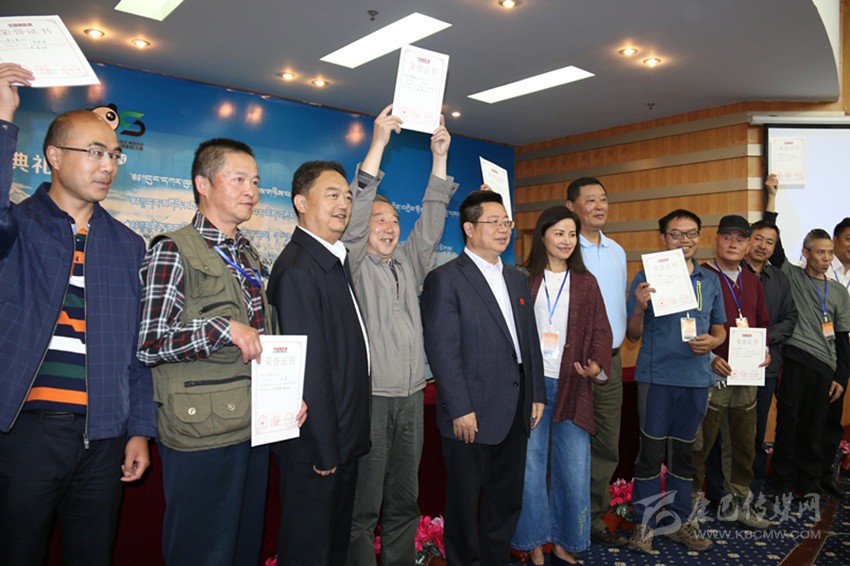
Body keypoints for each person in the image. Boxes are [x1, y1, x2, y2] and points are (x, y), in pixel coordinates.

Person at [0, 62, 157, 566]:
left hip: (102, 436)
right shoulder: (18, 227)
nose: (107, 165)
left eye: (113, 154)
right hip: (24, 431)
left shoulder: (128, 245)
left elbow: (137, 349)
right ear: (53, 156)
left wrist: (139, 429)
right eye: (94, 152)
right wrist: (4, 121)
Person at [138, 138, 304, 565]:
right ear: (203, 184)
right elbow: (151, 341)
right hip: (200, 433)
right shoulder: (172, 250)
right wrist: (220, 328)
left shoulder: (249, 256)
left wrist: (286, 396)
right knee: (202, 552)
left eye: (256, 182)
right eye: (239, 179)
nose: (252, 191)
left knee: (244, 548)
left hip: (252, 425)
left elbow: (263, 340)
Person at [344, 107, 458, 566]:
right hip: (371, 399)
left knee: (404, 501)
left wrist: (439, 158)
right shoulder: (351, 264)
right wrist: (377, 143)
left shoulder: (408, 263)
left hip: (411, 398)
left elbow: (430, 221)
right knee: (363, 506)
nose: (389, 227)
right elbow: (356, 211)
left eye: (393, 220)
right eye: (379, 220)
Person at [421, 190, 545, 565]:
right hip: (470, 412)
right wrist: (460, 407)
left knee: (505, 499)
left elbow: (528, 340)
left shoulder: (517, 278)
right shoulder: (446, 279)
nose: (503, 229)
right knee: (464, 501)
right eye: (494, 222)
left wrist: (536, 393)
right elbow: (442, 350)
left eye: (506, 222)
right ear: (469, 228)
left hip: (515, 406)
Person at [268, 159, 371, 565]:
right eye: (332, 195)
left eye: (347, 196)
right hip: (315, 447)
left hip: (340, 439)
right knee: (308, 550)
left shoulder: (330, 260)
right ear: (301, 202)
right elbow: (308, 370)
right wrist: (325, 450)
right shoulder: (298, 268)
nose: (343, 204)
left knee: (332, 548)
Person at [511, 206, 612, 565]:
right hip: (532, 388)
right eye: (559, 233)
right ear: (542, 236)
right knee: (531, 467)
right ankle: (533, 542)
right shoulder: (522, 277)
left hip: (573, 384)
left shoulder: (586, 282)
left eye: (572, 234)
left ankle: (566, 541)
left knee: (573, 468)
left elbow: (601, 329)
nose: (566, 241)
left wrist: (596, 363)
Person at [626, 209, 726, 554]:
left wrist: (713, 342)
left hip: (696, 379)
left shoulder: (709, 280)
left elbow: (719, 329)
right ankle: (644, 523)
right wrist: (639, 307)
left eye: (691, 233)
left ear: (699, 236)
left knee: (685, 454)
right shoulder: (645, 277)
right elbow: (633, 335)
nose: (684, 240)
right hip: (656, 378)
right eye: (676, 234)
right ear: (663, 238)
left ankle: (681, 521)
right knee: (650, 453)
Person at [762, 176, 850, 498]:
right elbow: (774, 244)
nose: (826, 258)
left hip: (826, 366)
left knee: (815, 425)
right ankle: (783, 480)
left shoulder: (839, 292)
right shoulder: (791, 275)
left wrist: (841, 376)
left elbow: (843, 338)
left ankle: (809, 481)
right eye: (820, 252)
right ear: (806, 252)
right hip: (795, 360)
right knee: (789, 421)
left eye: (829, 253)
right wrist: (772, 198)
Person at [691, 214, 771, 529]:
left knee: (743, 444)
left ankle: (737, 503)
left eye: (740, 239)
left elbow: (762, 322)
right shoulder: (701, 276)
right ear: (716, 240)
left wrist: (765, 350)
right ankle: (690, 507)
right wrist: (710, 356)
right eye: (727, 237)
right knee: (700, 446)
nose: (733, 244)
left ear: (748, 245)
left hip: (746, 377)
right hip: (711, 375)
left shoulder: (751, 280)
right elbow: (690, 326)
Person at [564, 176, 629, 547]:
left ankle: (593, 517)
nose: (599, 206)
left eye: (603, 199)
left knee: (606, 442)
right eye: (590, 200)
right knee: (568, 442)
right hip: (572, 364)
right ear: (571, 207)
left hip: (611, 362)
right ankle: (564, 516)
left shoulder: (617, 251)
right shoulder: (565, 249)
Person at [741, 216, 798, 498]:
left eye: (770, 242)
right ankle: (722, 491)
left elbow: (790, 318)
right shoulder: (731, 273)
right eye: (758, 239)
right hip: (729, 366)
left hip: (766, 366)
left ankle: (753, 490)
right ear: (747, 241)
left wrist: (761, 339)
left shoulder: (779, 279)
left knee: (757, 430)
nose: (763, 246)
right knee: (728, 430)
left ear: (775, 248)